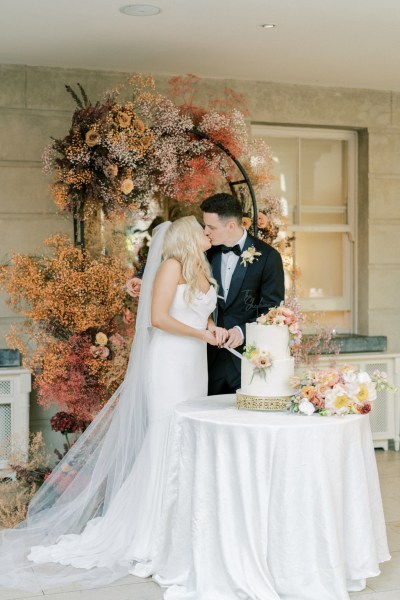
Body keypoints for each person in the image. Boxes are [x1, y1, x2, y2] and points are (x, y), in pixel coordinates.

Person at [0, 216, 225, 592]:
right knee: (166, 434)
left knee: (186, 435)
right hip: (169, 361)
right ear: (187, 235)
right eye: (201, 229)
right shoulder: (171, 266)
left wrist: (212, 330)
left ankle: (184, 522)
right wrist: (201, 333)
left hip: (194, 363)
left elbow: (200, 314)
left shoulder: (202, 266)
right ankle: (152, 528)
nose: (207, 233)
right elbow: (157, 318)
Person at [200, 193, 285, 395]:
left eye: (211, 227)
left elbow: (272, 310)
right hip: (206, 359)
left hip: (247, 361)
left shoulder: (268, 257)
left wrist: (241, 331)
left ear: (230, 225)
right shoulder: (205, 251)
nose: (205, 232)